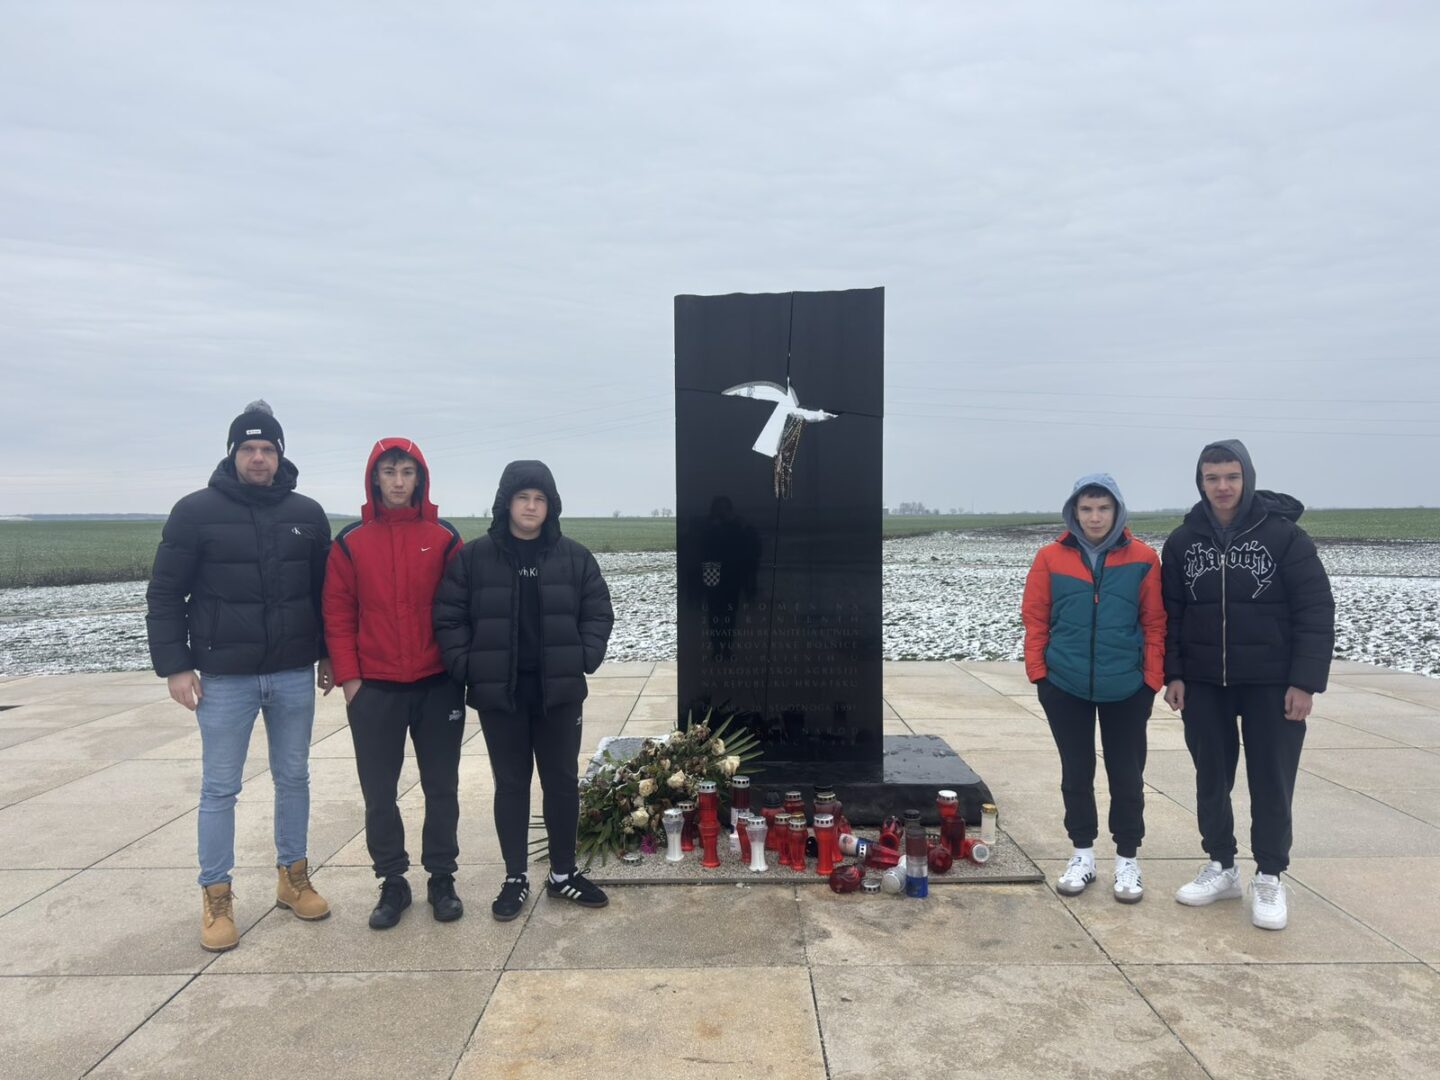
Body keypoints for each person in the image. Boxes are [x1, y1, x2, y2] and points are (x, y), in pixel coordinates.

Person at [145, 400, 333, 952]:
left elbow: (325, 595)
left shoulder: (307, 513)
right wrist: (176, 665)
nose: (258, 458)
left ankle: (293, 878)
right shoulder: (194, 512)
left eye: (267, 449)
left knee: (294, 777)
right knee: (220, 788)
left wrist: (328, 654)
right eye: (248, 448)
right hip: (224, 678)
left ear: (280, 454)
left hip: (292, 672)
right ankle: (216, 896)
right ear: (232, 453)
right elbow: (165, 594)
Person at [1162, 439, 1334, 931]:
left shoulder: (1285, 537)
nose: (1222, 487)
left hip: (1272, 683)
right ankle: (1221, 866)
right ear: (1201, 482)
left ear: (1247, 478)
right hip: (1204, 682)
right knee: (1211, 778)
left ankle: (1270, 875)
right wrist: (1174, 673)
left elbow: (1316, 610)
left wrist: (1305, 682)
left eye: (1231, 477)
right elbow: (1171, 613)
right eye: (1212, 478)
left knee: (1271, 781)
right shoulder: (1182, 541)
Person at [433, 460, 614, 921]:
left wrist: (584, 656)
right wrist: (469, 666)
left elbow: (598, 610)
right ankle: (515, 877)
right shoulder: (474, 559)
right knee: (511, 784)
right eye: (522, 498)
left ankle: (563, 874)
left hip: (559, 694)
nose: (531, 507)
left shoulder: (575, 558)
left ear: (551, 506)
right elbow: (449, 617)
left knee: (562, 783)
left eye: (539, 499)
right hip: (503, 696)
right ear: (506, 503)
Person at [323, 439, 466, 929]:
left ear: (420, 478)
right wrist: (351, 681)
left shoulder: (443, 537)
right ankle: (392, 881)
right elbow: (338, 613)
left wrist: (458, 668)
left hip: (437, 685)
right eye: (389, 471)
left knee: (442, 787)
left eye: (407, 471)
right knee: (379, 793)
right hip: (375, 690)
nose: (399, 481)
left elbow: (462, 607)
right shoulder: (351, 541)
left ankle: (442, 877)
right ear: (374, 479)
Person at [1022, 474, 1165, 904]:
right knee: (1076, 772)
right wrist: (1040, 674)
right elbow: (1035, 617)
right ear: (1074, 512)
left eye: (1103, 508)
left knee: (1127, 775)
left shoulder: (1143, 558)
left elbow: (1155, 622)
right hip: (1065, 685)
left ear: (1117, 510)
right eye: (1087, 509)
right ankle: (1082, 854)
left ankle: (1127, 859)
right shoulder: (1050, 558)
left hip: (1126, 687)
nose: (1095, 517)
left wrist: (1150, 680)